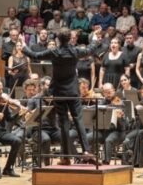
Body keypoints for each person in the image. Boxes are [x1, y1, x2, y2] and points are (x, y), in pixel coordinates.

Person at [23, 28, 95, 164]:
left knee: (64, 123)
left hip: (59, 92)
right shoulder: (75, 51)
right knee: (78, 120)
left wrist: (23, 46)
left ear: (58, 39)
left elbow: (35, 55)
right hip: (73, 91)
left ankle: (65, 157)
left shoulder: (54, 52)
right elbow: (90, 50)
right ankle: (86, 150)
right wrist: (95, 40)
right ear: (69, 39)